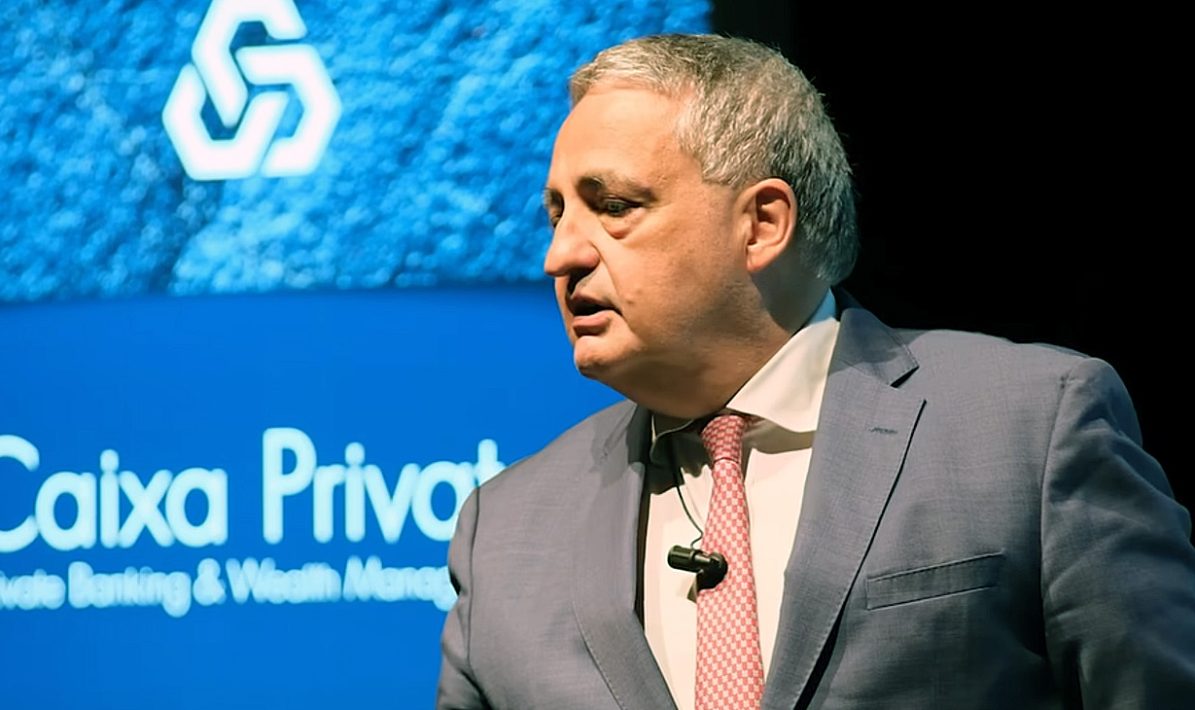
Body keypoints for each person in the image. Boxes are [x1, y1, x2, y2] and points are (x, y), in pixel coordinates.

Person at [436, 34, 1195, 709]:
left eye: (614, 206)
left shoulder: (1028, 429)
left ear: (762, 223)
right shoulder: (500, 531)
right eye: (557, 214)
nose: (560, 255)